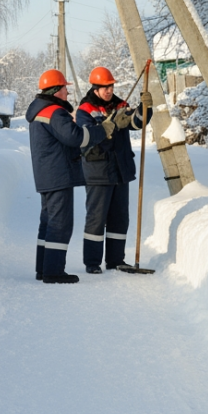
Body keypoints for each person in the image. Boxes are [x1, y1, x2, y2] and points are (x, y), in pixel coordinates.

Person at [25, 69, 112, 284]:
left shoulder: (40, 111)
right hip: (58, 175)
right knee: (60, 223)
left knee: (47, 222)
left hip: (47, 174)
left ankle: (43, 268)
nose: (67, 92)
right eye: (65, 88)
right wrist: (104, 129)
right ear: (56, 90)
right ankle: (53, 271)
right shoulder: (54, 112)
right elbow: (76, 137)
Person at [76, 66, 152, 274]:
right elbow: (88, 136)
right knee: (97, 218)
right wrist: (111, 123)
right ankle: (92, 262)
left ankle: (116, 260)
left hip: (121, 170)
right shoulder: (85, 110)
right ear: (95, 88)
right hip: (98, 171)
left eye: (110, 86)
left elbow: (136, 124)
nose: (108, 90)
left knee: (120, 218)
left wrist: (145, 111)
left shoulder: (121, 104)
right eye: (104, 87)